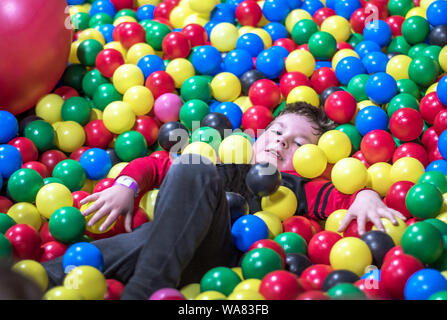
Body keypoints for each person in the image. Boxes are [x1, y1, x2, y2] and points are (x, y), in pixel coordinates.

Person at [42, 102, 406, 299]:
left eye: (298, 144)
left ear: (316, 161)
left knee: (190, 173)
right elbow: (154, 164)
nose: (282, 142)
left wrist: (368, 194)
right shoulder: (227, 160)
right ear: (259, 135)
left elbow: (343, 197)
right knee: (186, 178)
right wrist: (126, 184)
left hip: (224, 260)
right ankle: (34, 282)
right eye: (278, 132)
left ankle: (143, 292)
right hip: (164, 245)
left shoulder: (298, 187)